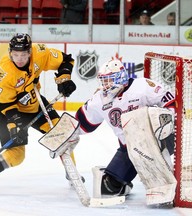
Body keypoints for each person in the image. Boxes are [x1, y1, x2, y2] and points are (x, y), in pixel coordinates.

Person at [0, 33, 77, 193]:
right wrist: (14, 126)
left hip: (35, 104)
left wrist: (64, 79)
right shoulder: (5, 72)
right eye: (15, 54)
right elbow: (6, 104)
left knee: (62, 134)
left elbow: (66, 60)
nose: (20, 58)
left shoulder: (40, 52)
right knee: (16, 155)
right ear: (10, 53)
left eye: (23, 54)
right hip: (8, 112)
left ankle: (72, 174)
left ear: (30, 52)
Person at [75, 59, 176, 205]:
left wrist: (165, 124)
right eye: (104, 81)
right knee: (108, 188)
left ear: (121, 77)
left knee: (161, 194)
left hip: (157, 143)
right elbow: (83, 124)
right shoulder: (99, 100)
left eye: (109, 80)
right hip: (128, 150)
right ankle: (126, 184)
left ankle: (163, 179)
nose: (106, 85)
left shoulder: (142, 86)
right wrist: (67, 135)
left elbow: (170, 103)